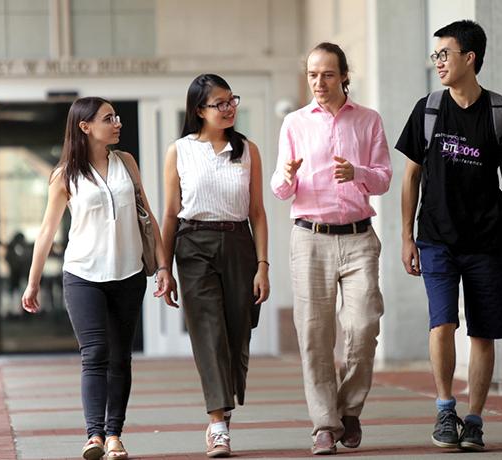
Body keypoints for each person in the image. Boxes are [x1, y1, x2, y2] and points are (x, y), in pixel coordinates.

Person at [396, 19, 502, 452]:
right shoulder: (428, 109)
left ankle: (474, 419)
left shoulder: (501, 113)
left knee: (483, 332)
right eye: (435, 55)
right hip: (436, 237)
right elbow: (410, 178)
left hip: (488, 240)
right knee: (442, 322)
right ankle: (445, 408)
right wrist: (405, 236)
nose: (438, 63)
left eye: (444, 54)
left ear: (469, 58)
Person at [21, 97, 176, 460]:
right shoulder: (64, 176)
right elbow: (46, 231)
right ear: (85, 127)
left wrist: (164, 266)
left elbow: (147, 215)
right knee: (95, 354)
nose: (117, 123)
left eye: (116, 117)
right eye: (109, 118)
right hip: (83, 275)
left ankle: (114, 436)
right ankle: (94, 434)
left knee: (121, 357)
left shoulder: (127, 163)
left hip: (129, 274)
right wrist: (33, 282)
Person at [271, 42, 391, 455]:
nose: (318, 83)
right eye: (312, 75)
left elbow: (383, 179)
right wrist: (286, 175)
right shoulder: (294, 123)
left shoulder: (369, 121)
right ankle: (325, 423)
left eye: (326, 74)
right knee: (314, 335)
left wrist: (355, 172)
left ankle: (349, 408)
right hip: (310, 237)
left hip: (359, 238)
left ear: (343, 75)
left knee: (363, 327)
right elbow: (281, 189)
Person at [159, 74, 270, 458]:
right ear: (198, 111)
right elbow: (170, 214)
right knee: (208, 333)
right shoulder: (180, 150)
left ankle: (223, 411)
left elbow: (257, 212)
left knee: (238, 334)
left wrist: (262, 265)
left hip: (239, 244)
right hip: (193, 246)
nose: (229, 108)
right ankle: (217, 424)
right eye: (219, 103)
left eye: (231, 101)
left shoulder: (248, 150)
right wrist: (163, 267)